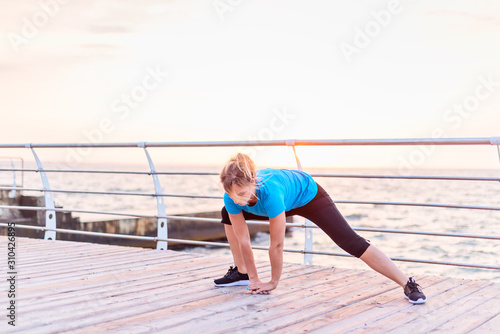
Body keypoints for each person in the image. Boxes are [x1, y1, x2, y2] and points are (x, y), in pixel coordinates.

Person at [213, 153, 427, 304]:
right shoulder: (232, 196)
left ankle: (407, 283)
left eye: (241, 194)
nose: (237, 200)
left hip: (308, 196)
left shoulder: (271, 192)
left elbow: (276, 245)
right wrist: (254, 280)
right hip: (280, 200)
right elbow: (244, 240)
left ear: (252, 181)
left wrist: (272, 282)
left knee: (350, 242)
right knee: (227, 213)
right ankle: (241, 273)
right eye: (232, 195)